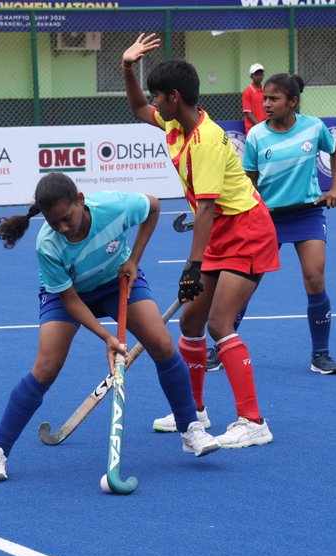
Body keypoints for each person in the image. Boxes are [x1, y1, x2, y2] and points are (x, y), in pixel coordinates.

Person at [0, 172, 220, 482]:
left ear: (80, 200)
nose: (64, 229)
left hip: (115, 280)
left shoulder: (114, 206)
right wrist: (106, 336)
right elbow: (69, 299)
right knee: (46, 367)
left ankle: (190, 429)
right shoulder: (48, 245)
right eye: (55, 224)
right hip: (69, 294)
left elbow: (154, 207)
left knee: (161, 344)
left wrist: (133, 259)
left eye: (67, 218)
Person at [123, 34, 279, 449]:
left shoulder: (207, 141)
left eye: (159, 95)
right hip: (221, 230)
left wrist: (192, 268)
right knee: (191, 323)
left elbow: (206, 210)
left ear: (175, 97)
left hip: (246, 230)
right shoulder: (175, 123)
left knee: (217, 323)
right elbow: (139, 109)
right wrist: (127, 67)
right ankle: (193, 414)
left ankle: (253, 421)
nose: (154, 102)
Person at [243, 73, 336, 375]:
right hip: (266, 218)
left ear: (292, 101)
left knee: (315, 278)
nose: (267, 104)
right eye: (265, 99)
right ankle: (221, 347)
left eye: (273, 99)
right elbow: (249, 182)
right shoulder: (256, 136)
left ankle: (320, 355)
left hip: (307, 214)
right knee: (244, 286)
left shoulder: (314, 127)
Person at [242, 63, 266, 135]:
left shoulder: (266, 90)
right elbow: (248, 113)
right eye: (256, 75)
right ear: (251, 76)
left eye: (261, 74)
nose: (259, 76)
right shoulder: (247, 91)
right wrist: (259, 126)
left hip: (265, 127)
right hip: (252, 129)